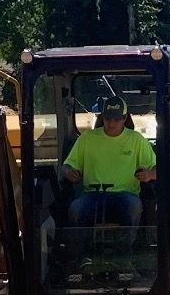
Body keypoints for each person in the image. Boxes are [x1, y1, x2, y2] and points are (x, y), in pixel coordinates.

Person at [62, 96, 156, 261]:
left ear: (125, 118)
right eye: (107, 118)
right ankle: (82, 257)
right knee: (76, 209)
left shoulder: (136, 140)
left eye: (117, 119)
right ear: (101, 117)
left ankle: (125, 257)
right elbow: (66, 166)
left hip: (125, 195)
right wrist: (69, 172)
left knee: (134, 207)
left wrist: (148, 175)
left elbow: (157, 168)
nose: (111, 123)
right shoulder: (86, 139)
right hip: (92, 195)